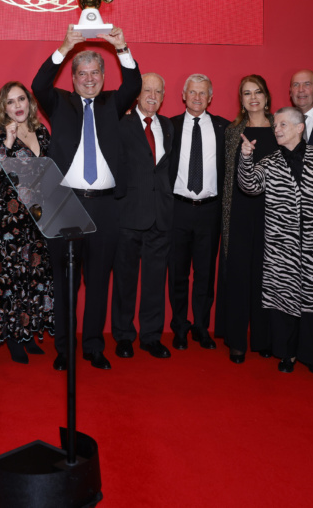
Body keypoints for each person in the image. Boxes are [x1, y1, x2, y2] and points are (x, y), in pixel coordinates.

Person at [32, 24, 141, 371]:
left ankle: (94, 345)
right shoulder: (59, 102)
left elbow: (134, 84)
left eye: (95, 72)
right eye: (82, 73)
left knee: (98, 280)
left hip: (105, 206)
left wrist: (122, 47)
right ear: (73, 77)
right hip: (65, 204)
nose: (89, 78)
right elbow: (38, 85)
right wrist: (64, 46)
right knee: (65, 282)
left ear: (104, 76)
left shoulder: (112, 103)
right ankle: (64, 348)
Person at [238, 106, 313, 374]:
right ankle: (286, 354)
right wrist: (246, 158)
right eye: (275, 126)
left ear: (300, 128)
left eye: (283, 124)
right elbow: (249, 186)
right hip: (280, 249)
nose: (277, 129)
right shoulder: (269, 162)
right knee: (283, 304)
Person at [0, 81, 54, 363]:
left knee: (34, 275)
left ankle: (29, 331)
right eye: (10, 102)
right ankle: (12, 337)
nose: (17, 106)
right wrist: (8, 143)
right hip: (10, 220)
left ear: (29, 102)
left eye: (21, 99)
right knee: (10, 277)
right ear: (4, 108)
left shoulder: (42, 132)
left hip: (38, 218)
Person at [112, 73, 173, 360]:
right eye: (147, 90)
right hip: (128, 215)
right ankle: (123, 336)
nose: (152, 96)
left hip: (161, 216)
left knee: (154, 281)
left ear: (163, 96)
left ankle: (151, 337)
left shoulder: (169, 126)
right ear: (137, 95)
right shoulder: (121, 125)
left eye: (158, 91)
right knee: (125, 281)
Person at [217, 74, 277, 364]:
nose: (253, 98)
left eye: (258, 92)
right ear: (240, 99)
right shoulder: (232, 131)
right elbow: (226, 176)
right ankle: (237, 340)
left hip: (273, 213)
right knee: (240, 274)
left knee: (267, 274)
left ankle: (264, 338)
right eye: (246, 93)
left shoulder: (282, 127)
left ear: (266, 96)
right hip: (239, 211)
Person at [167, 74, 229, 351]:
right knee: (177, 273)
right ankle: (180, 327)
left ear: (210, 97)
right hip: (177, 209)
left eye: (202, 93)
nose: (196, 97)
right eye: (192, 92)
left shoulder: (224, 129)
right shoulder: (169, 126)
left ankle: (202, 327)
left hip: (209, 211)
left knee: (205, 273)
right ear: (183, 95)